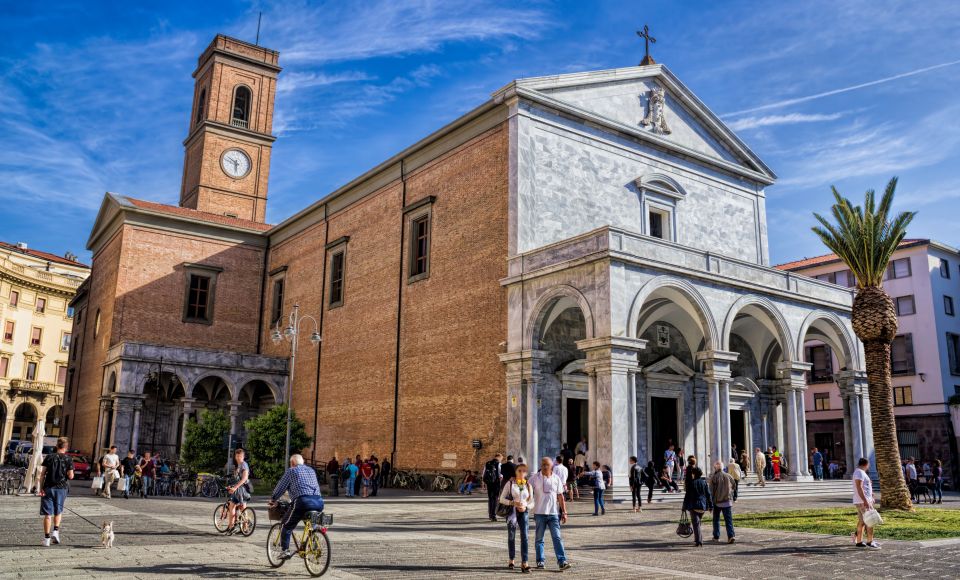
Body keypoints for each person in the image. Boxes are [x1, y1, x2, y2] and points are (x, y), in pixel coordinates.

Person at [269, 454, 324, 560]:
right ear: (302, 462)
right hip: (318, 501)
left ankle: (285, 551)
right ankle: (312, 542)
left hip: (302, 501)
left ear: (292, 463)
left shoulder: (291, 471)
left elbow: (281, 486)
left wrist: (273, 499)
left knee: (286, 525)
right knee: (311, 525)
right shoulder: (311, 470)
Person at [528, 457, 571, 571]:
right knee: (539, 539)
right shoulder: (534, 478)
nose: (544, 466)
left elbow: (560, 496)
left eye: (547, 464)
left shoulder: (556, 478)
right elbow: (526, 491)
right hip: (539, 513)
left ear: (551, 466)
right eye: (543, 464)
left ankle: (562, 561)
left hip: (553, 513)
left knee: (557, 537)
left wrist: (564, 512)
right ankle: (540, 561)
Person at [39, 437, 74, 547]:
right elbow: (71, 476)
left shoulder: (49, 457)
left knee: (47, 514)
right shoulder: (68, 459)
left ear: (57, 446)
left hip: (48, 488)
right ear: (66, 447)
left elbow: (42, 474)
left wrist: (40, 488)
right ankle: (55, 531)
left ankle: (46, 539)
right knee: (58, 511)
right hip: (61, 488)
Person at [499, 462, 534, 573]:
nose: (521, 473)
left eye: (524, 471)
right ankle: (511, 559)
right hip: (512, 513)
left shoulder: (528, 485)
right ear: (516, 472)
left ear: (526, 473)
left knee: (524, 537)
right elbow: (501, 499)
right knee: (511, 536)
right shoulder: (510, 484)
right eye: (519, 470)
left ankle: (525, 562)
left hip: (523, 512)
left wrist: (526, 507)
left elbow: (532, 502)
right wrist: (512, 503)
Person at [852, 457, 880, 549]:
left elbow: (865, 486)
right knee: (870, 521)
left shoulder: (860, 472)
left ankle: (859, 541)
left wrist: (871, 495)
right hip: (862, 501)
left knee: (863, 521)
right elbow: (859, 488)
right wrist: (865, 501)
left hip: (861, 500)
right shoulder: (859, 472)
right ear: (866, 464)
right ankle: (870, 541)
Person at [223, 448, 252, 535]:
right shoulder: (239, 466)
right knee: (242, 508)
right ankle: (245, 528)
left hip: (242, 490)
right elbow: (236, 479)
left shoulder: (243, 465)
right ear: (235, 457)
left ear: (243, 457)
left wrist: (235, 487)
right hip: (242, 490)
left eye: (240, 456)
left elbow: (244, 478)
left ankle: (231, 527)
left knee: (232, 506)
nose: (238, 457)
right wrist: (231, 486)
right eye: (237, 456)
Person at [682, 465, 710, 547]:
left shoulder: (691, 483)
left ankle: (699, 540)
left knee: (696, 523)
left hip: (693, 505)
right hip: (702, 505)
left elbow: (687, 496)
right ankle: (697, 537)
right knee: (697, 523)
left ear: (694, 474)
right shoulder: (704, 482)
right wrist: (710, 506)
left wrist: (684, 506)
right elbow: (708, 494)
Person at [708, 461, 736, 543]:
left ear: (715, 468)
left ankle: (716, 536)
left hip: (717, 502)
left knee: (716, 520)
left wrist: (710, 503)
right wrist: (730, 492)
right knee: (728, 520)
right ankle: (731, 536)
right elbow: (734, 485)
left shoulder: (714, 477)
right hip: (727, 501)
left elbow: (711, 491)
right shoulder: (728, 476)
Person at [483, 453, 504, 521]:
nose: (501, 460)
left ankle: (490, 514)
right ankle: (493, 515)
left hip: (489, 483)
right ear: (499, 457)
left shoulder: (487, 463)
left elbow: (483, 473)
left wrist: (483, 483)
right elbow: (501, 475)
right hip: (496, 483)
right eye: (501, 459)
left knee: (490, 499)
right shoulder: (499, 464)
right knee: (495, 499)